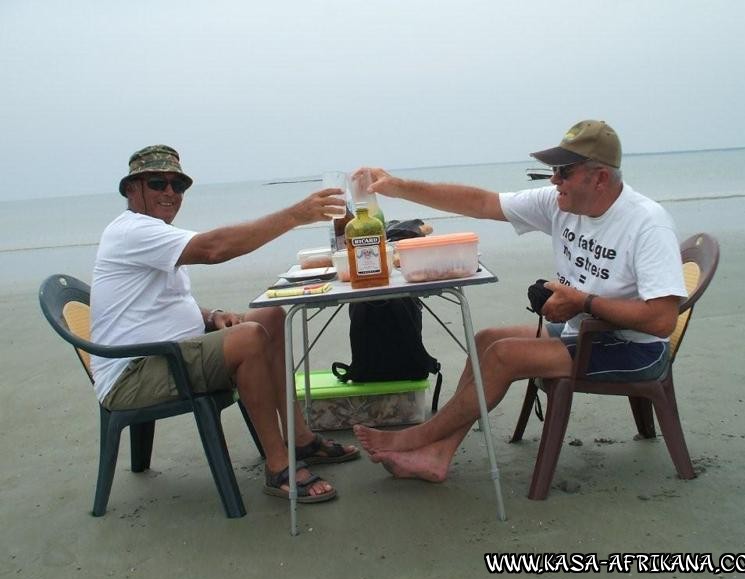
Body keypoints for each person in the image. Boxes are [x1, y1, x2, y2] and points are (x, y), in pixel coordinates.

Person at [353, 120, 687, 483]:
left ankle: (416, 437)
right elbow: (481, 203)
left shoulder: (647, 225)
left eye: (564, 172)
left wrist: (581, 301)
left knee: (503, 356)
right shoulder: (562, 204)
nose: (554, 180)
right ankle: (438, 454)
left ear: (600, 178)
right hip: (584, 333)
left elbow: (661, 321)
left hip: (633, 348)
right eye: (552, 171)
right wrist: (400, 188)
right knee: (486, 340)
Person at [92, 144, 359, 503]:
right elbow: (215, 248)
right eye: (157, 183)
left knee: (270, 315)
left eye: (178, 185)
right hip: (137, 374)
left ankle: (302, 439)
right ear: (131, 189)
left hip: (170, 354)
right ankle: (278, 465)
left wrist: (212, 316)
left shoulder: (151, 234)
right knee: (249, 338)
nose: (170, 192)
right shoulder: (132, 231)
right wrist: (296, 215)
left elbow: (161, 303)